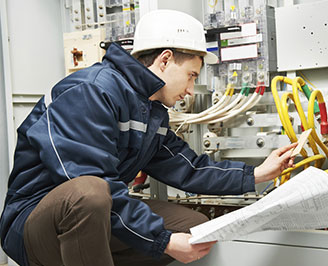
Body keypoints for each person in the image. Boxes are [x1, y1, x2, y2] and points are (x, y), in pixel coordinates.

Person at [0, 9, 296, 266]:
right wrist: (162, 241)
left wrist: (256, 174)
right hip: (34, 226)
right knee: (90, 192)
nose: (192, 89)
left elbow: (187, 167)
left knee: (194, 228)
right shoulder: (92, 91)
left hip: (91, 217)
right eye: (192, 75)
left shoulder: (150, 110)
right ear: (165, 60)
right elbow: (90, 181)